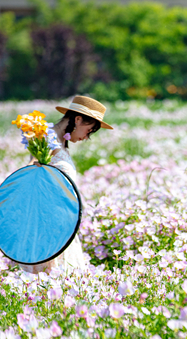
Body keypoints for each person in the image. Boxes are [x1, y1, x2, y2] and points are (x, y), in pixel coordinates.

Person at [18, 95, 114, 274]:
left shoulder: (58, 141)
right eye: (89, 130)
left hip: (62, 220)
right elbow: (31, 170)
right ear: (77, 119)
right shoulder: (46, 137)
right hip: (48, 221)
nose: (87, 137)